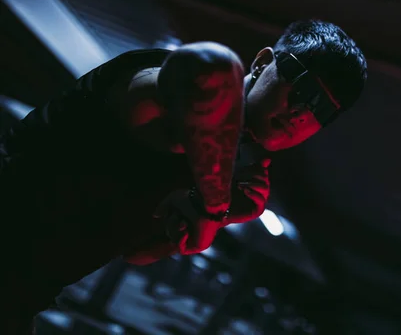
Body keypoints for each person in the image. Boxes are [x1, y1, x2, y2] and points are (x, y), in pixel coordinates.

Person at [0, 19, 367, 333]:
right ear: (262, 61)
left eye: (322, 111)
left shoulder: (228, 164)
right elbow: (211, 69)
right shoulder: (159, 83)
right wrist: (216, 201)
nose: (303, 113)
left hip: (23, 294)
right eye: (304, 88)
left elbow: (137, 252)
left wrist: (215, 215)